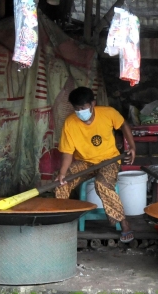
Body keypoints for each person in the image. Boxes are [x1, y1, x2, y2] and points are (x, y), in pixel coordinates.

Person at [55, 87, 136, 243]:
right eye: (76, 109)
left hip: (109, 161)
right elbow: (67, 153)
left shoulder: (108, 113)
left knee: (103, 184)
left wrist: (132, 147)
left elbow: (124, 125)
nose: (80, 112)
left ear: (93, 103)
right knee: (60, 184)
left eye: (83, 108)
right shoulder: (70, 123)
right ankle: (62, 223)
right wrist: (63, 173)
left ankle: (124, 223)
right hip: (84, 162)